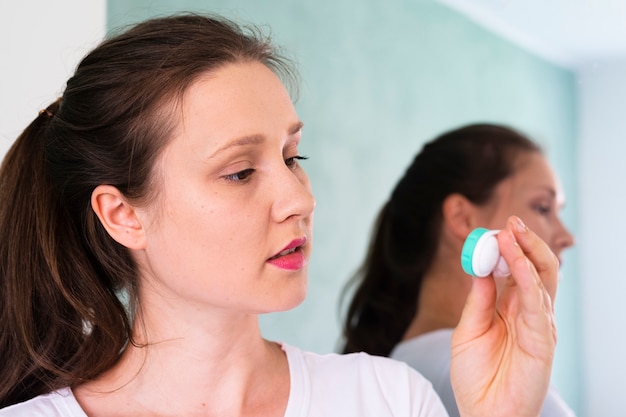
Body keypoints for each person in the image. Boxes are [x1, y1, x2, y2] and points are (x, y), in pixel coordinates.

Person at [0, 14, 559, 417]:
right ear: (122, 214)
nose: (301, 199)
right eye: (240, 172)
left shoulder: (387, 399)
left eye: (294, 158)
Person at [341, 123, 576, 416]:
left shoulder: (403, 365)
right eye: (543, 207)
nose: (568, 237)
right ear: (462, 218)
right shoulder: (475, 374)